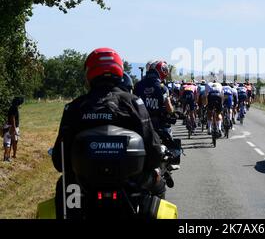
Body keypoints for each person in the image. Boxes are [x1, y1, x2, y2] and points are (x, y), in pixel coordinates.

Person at [51, 48, 164, 218]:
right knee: (158, 182)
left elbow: (60, 161)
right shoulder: (134, 103)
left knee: (64, 184)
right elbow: (154, 152)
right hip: (130, 187)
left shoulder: (75, 107)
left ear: (89, 73)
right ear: (118, 70)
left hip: (83, 188)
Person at [134, 60, 177, 149]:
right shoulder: (162, 88)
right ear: (160, 70)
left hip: (141, 123)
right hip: (158, 124)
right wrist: (173, 112)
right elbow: (169, 108)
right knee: (171, 145)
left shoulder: (138, 85)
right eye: (164, 69)